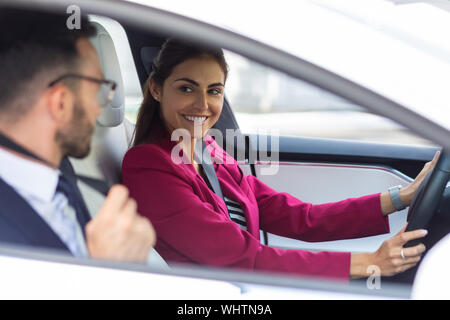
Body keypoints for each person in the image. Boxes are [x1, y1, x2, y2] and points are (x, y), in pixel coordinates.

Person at [122, 38, 437, 280]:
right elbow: (247, 258)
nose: (202, 104)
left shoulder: (209, 152)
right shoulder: (149, 167)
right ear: (156, 89)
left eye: (214, 91)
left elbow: (301, 217)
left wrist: (401, 198)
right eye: (187, 88)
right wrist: (370, 262)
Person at [0, 8, 155, 263]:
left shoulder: (57, 178)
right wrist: (107, 269)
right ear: (60, 103)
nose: (100, 105)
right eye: (99, 88)